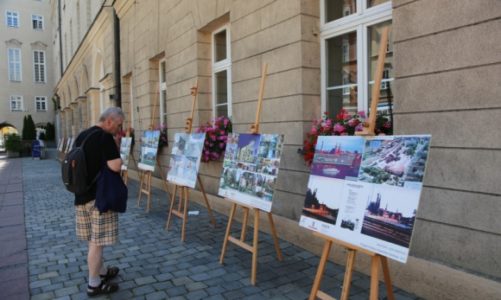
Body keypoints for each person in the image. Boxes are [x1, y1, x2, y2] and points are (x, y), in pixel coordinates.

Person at [73, 107, 124, 297]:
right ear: (109, 121)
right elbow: (116, 166)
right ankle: (94, 284)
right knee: (97, 242)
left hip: (81, 196)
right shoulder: (104, 137)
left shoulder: (82, 135)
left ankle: (101, 271)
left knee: (93, 240)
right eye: (118, 125)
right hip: (99, 198)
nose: (119, 130)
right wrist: (118, 151)